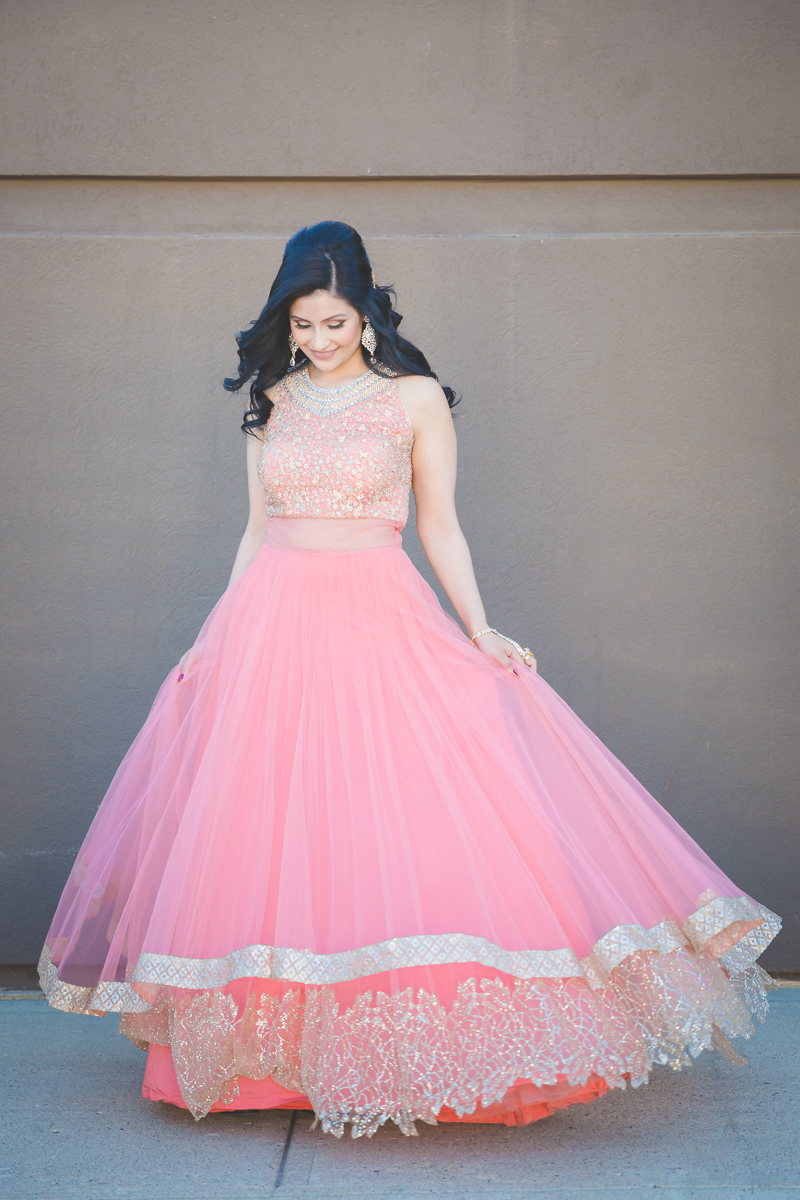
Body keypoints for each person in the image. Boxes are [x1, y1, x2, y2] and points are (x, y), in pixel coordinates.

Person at [40, 221, 779, 1139]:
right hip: (272, 621)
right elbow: (256, 531)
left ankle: (416, 1054)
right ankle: (267, 1065)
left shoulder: (414, 399)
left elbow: (441, 525)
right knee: (272, 828)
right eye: (302, 324)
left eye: (335, 322)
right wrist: (211, 638)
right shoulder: (273, 401)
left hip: (376, 613)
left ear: (368, 315)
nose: (318, 339)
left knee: (397, 820)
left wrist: (480, 628)